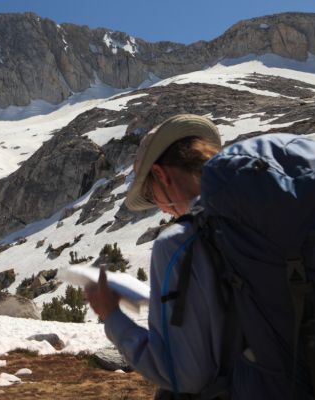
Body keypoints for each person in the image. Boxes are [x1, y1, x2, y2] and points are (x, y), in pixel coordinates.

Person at [86, 114, 226, 397]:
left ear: (161, 175)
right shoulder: (257, 216)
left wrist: (111, 315)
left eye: (151, 195)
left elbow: (183, 375)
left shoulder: (179, 244)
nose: (160, 208)